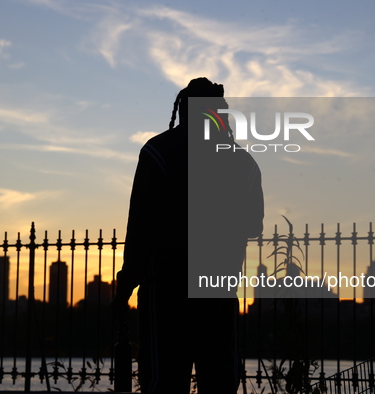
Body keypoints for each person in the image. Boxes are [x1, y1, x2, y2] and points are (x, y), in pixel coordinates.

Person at [112, 77, 264, 394]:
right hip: (218, 290)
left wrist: (127, 281)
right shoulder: (244, 163)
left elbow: (140, 225)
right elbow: (253, 226)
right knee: (220, 382)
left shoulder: (158, 152)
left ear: (184, 110)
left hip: (166, 291)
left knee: (163, 383)